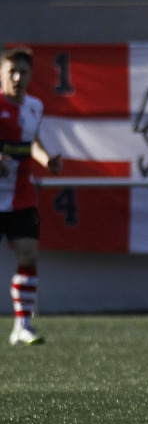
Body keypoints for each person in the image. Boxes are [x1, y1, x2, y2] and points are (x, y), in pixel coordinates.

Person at [0, 47, 62, 347]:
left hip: (21, 196)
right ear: (1, 74)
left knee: (29, 254)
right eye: (11, 71)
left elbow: (32, 142)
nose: (17, 77)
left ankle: (22, 325)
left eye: (23, 72)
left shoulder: (34, 107)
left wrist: (47, 160)